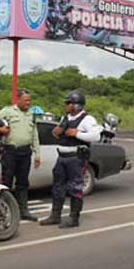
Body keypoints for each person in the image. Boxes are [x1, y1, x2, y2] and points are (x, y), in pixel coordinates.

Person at [40, 90, 102, 228]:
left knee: (75, 188)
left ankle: (74, 218)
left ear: (77, 105)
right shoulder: (66, 118)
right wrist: (56, 132)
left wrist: (77, 133)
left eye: (68, 103)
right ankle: (55, 215)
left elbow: (96, 136)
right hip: (62, 157)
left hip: (76, 158)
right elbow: (60, 133)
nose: (66, 105)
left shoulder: (87, 119)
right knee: (57, 187)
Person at [0, 90, 41, 221]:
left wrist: (37, 154)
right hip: (10, 151)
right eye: (25, 100)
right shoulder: (8, 111)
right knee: (7, 182)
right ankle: (5, 210)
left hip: (25, 152)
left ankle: (24, 211)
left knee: (23, 182)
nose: (28, 103)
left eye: (29, 100)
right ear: (18, 100)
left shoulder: (31, 114)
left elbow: (34, 135)